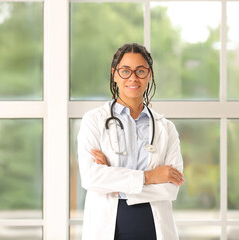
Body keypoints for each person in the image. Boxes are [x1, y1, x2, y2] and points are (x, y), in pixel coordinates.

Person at [77, 43, 184, 240]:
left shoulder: (166, 128)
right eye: (125, 71)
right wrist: (150, 177)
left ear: (149, 74)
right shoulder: (93, 121)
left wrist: (113, 179)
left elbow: (170, 187)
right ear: (114, 74)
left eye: (140, 71)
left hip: (155, 229)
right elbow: (91, 177)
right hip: (106, 229)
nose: (133, 78)